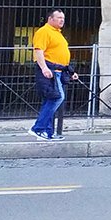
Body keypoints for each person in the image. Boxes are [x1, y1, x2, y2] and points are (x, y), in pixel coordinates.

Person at [31, 8, 78, 140]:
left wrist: (69, 72)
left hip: (57, 71)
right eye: (59, 18)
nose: (62, 20)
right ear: (50, 19)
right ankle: (38, 128)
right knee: (57, 98)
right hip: (51, 71)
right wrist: (44, 68)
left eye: (63, 18)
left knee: (51, 99)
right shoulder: (44, 32)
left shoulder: (57, 33)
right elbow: (39, 51)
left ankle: (47, 132)